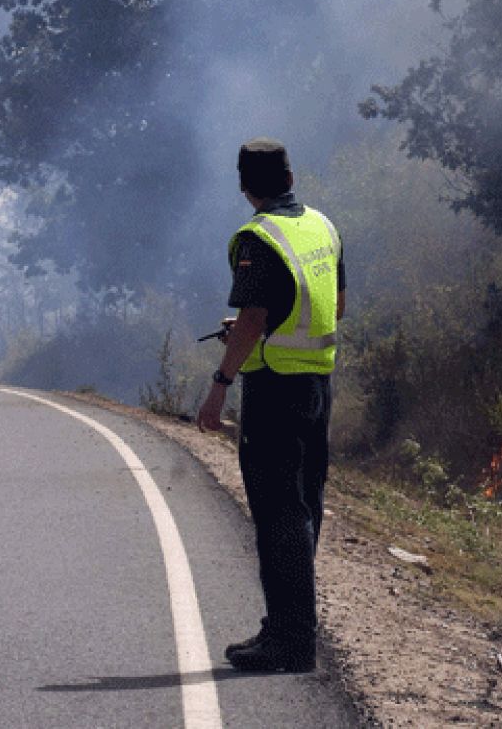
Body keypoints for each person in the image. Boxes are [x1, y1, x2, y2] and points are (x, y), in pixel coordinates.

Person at [198, 138, 345, 673]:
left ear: (245, 185)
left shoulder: (256, 238)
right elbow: (335, 304)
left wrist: (219, 384)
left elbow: (256, 318)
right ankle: (289, 628)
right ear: (290, 177)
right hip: (317, 388)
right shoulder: (321, 227)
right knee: (305, 508)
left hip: (275, 390)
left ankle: (291, 641)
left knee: (278, 515)